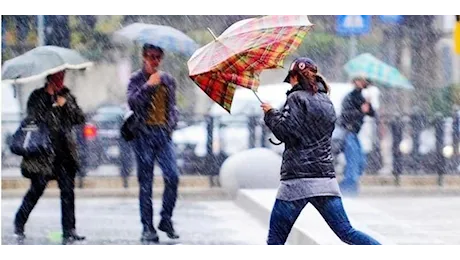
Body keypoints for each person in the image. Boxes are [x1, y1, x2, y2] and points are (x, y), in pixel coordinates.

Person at [261, 57, 381, 247]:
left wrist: (270, 114)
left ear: (295, 77)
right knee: (346, 231)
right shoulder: (326, 100)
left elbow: (287, 132)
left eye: (290, 78)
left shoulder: (295, 98)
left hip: (297, 181)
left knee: (275, 240)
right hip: (325, 180)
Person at [13, 70, 86, 245]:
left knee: (68, 192)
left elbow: (79, 118)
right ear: (49, 77)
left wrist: (65, 104)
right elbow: (33, 118)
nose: (60, 80)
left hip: (65, 153)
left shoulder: (67, 96)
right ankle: (19, 221)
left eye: (62, 76)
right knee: (36, 190)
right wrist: (50, 104)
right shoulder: (37, 96)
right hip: (43, 153)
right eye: (57, 77)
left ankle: (69, 230)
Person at [127, 43, 180, 244]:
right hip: (143, 136)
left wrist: (171, 124)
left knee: (172, 176)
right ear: (143, 57)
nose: (154, 60)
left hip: (162, 134)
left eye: (157, 57)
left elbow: (173, 107)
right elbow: (133, 103)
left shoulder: (168, 81)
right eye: (150, 56)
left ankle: (166, 218)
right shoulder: (136, 79)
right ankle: (147, 227)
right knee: (146, 184)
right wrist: (148, 86)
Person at [337, 76, 375, 195]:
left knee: (360, 161)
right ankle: (348, 188)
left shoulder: (361, 97)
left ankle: (348, 186)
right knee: (353, 161)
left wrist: (368, 105)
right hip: (348, 132)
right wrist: (361, 111)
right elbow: (345, 115)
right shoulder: (350, 97)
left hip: (354, 133)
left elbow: (371, 113)